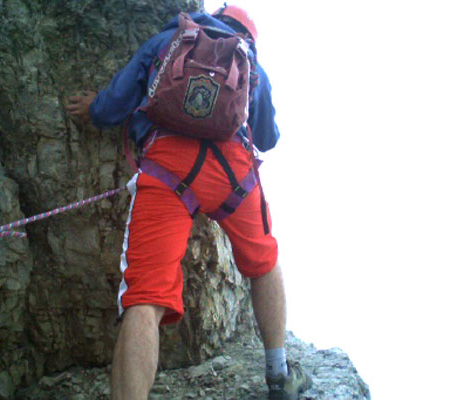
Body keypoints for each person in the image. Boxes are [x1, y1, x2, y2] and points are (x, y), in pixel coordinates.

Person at [67, 5, 311, 400]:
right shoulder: (249, 61)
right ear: (247, 35)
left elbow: (115, 105)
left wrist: (92, 108)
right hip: (233, 173)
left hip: (168, 169)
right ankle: (279, 373)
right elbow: (268, 137)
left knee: (146, 296)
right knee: (263, 262)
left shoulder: (168, 41)